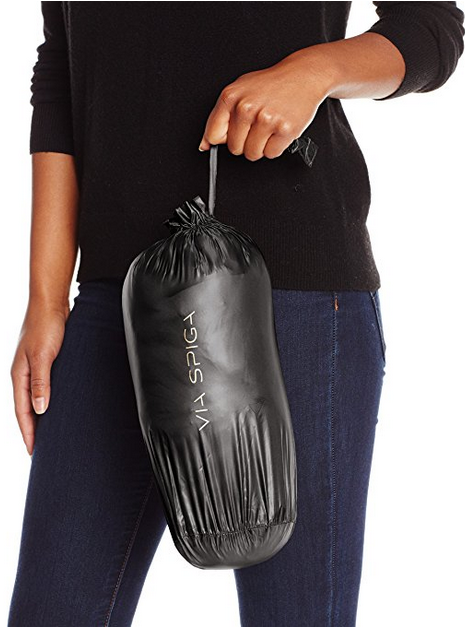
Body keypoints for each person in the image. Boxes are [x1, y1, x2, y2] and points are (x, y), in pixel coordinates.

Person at [7, 2, 464, 627]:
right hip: (114, 302)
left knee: (296, 618)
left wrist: (317, 71)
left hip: (291, 299)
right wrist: (46, 298)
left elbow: (431, 26)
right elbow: (61, 68)